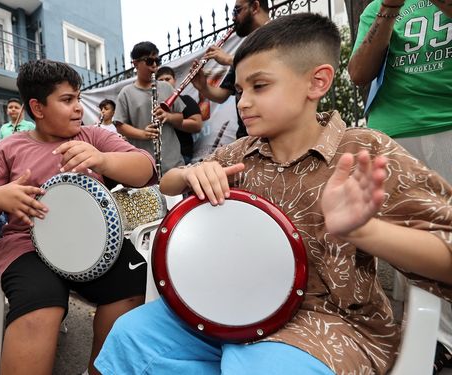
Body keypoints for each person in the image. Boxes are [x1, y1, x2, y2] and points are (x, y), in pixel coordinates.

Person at [95, 13, 452, 375]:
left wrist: (364, 231)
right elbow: (169, 183)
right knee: (130, 334)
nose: (243, 103)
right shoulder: (238, 154)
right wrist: (192, 172)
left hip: (331, 325)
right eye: (239, 91)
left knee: (250, 365)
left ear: (317, 82)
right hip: (230, 306)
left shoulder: (365, 152)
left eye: (260, 86)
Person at [0, 59, 156, 375]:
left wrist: (104, 160)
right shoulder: (8, 148)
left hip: (94, 243)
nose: (78, 108)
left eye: (78, 98)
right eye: (67, 100)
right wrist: (0, 195)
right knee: (40, 305)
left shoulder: (91, 137)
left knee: (132, 282)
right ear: (37, 107)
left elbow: (146, 167)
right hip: (27, 248)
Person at [348, 0, 452, 370]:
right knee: (408, 239)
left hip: (447, 121)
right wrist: (389, 10)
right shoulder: (378, 6)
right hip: (394, 132)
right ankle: (433, 338)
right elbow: (359, 73)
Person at [191, 0, 270, 140]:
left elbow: (274, 66)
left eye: (237, 11)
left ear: (255, 7)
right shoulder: (244, 47)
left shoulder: (281, 36)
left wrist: (230, 60)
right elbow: (222, 95)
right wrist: (203, 86)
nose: (233, 17)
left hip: (273, 133)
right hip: (247, 137)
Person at [113, 41, 185, 176]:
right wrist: (143, 134)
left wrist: (168, 117)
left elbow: (181, 118)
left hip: (173, 162)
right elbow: (120, 125)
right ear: (135, 64)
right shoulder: (126, 93)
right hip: (143, 165)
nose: (154, 66)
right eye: (149, 61)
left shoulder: (166, 87)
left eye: (157, 61)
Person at [156, 66, 203, 164]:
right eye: (160, 80)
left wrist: (170, 119)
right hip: (159, 156)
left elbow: (197, 125)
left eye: (167, 79)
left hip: (181, 155)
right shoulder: (153, 104)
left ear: (175, 81)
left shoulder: (185, 99)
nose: (164, 82)